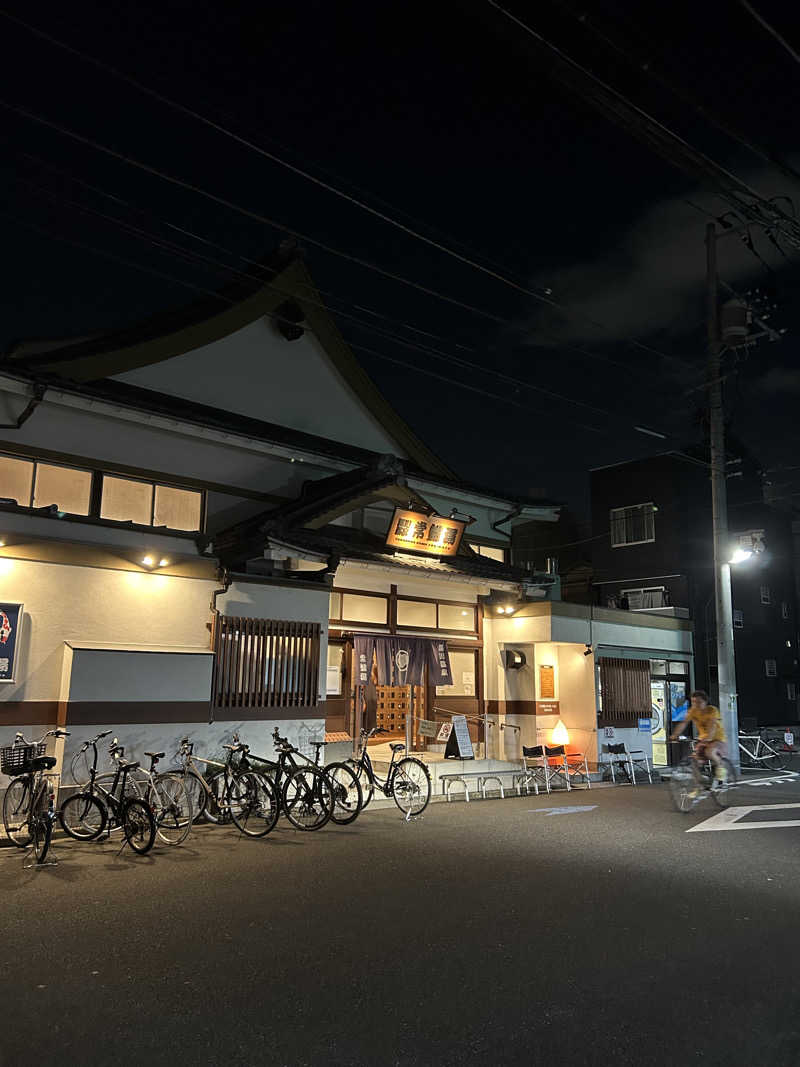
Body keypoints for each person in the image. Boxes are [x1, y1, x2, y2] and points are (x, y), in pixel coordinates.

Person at [670, 689, 727, 791]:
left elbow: (712, 725)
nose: (695, 704)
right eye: (693, 702)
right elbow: (684, 723)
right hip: (704, 739)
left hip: (717, 739)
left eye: (699, 702)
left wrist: (708, 737)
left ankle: (721, 770)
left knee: (710, 752)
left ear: (705, 702)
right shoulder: (693, 711)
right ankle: (700, 784)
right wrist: (675, 734)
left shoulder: (712, 710)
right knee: (694, 762)